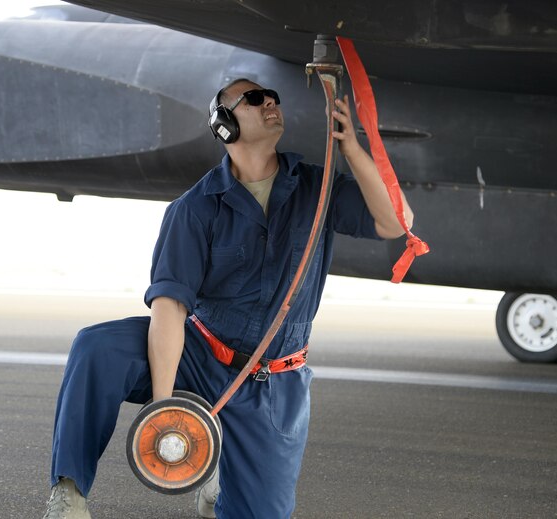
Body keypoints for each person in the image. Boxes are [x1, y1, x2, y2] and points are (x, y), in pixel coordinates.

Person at [42, 78, 414, 519]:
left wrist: (352, 147)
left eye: (273, 97)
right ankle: (69, 493)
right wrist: (167, 409)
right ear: (225, 125)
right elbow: (169, 308)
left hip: (273, 382)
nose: (270, 102)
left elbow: (396, 224)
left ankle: (223, 466)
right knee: (97, 346)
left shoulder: (315, 188)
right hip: (199, 358)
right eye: (254, 99)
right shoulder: (195, 208)